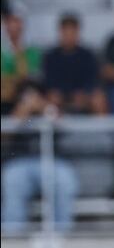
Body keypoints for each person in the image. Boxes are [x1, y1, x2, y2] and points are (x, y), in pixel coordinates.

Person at [1, 81, 78, 233]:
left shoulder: (50, 108)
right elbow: (4, 136)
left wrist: (44, 107)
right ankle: (13, 235)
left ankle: (62, 234)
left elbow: (66, 126)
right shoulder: (11, 110)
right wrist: (22, 112)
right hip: (20, 163)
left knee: (65, 180)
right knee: (12, 180)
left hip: (53, 162)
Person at [43, 13, 106, 115]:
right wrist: (65, 94)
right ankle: (52, 130)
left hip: (83, 97)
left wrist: (84, 93)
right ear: (60, 33)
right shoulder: (51, 56)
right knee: (53, 98)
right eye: (66, 33)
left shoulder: (87, 55)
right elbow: (49, 82)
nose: (69, 37)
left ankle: (102, 130)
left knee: (99, 99)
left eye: (72, 33)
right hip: (60, 98)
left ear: (77, 33)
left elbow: (93, 79)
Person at [1, 11, 42, 115]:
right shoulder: (3, 50)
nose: (14, 26)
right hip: (5, 98)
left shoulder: (32, 51)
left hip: (22, 97)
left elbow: (28, 78)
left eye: (17, 21)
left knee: (31, 99)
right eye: (10, 21)